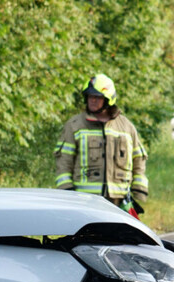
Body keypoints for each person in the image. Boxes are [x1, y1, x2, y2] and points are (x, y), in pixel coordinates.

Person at [54, 74, 148, 217]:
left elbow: (138, 160)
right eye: (90, 96)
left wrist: (138, 192)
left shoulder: (126, 127)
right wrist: (67, 192)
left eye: (97, 97)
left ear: (108, 99)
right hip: (84, 201)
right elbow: (64, 162)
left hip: (120, 202)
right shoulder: (74, 125)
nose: (92, 100)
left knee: (121, 239)